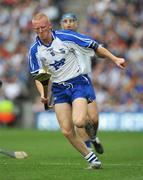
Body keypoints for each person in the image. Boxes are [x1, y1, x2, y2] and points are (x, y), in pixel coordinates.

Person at [29, 12, 126, 169]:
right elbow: (38, 75)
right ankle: (92, 158)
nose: (40, 32)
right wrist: (43, 94)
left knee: (79, 122)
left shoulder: (65, 36)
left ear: (49, 26)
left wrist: (115, 59)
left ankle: (91, 132)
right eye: (36, 29)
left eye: (43, 28)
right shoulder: (34, 50)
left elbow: (94, 46)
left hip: (77, 83)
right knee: (67, 131)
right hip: (59, 89)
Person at [60, 13, 104, 153]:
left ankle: (93, 137)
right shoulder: (57, 43)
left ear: (76, 24)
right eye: (65, 21)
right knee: (80, 120)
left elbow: (98, 53)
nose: (69, 24)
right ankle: (90, 151)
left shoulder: (84, 40)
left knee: (94, 119)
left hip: (84, 80)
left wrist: (102, 52)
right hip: (67, 83)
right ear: (61, 24)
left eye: (72, 21)